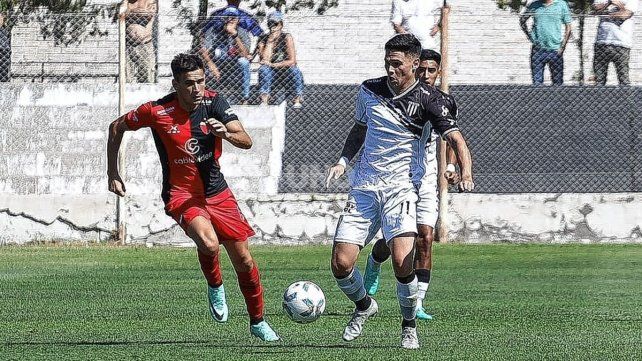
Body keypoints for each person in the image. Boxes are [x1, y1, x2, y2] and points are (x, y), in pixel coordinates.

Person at [106, 53, 279, 342]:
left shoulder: (215, 102)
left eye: (200, 81)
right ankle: (215, 285)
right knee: (210, 244)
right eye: (189, 83)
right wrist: (113, 172)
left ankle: (258, 321)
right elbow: (116, 127)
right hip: (181, 193)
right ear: (176, 84)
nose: (197, 88)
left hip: (218, 192)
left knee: (245, 261)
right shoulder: (157, 111)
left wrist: (226, 134)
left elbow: (246, 141)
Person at [325, 34, 474, 350]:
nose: (390, 70)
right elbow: (360, 128)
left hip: (402, 190)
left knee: (403, 262)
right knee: (340, 263)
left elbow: (457, 140)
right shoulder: (369, 90)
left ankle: (409, 326)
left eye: (397, 64)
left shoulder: (430, 100)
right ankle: (365, 305)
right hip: (365, 187)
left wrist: (465, 173)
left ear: (415, 64)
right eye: (387, 63)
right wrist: (342, 161)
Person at [360, 49, 461, 322]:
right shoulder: (403, 99)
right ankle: (374, 261)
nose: (426, 75)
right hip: (400, 176)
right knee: (396, 241)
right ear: (415, 69)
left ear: (439, 72)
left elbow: (452, 138)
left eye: (432, 71)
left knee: (425, 237)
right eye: (422, 70)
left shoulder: (441, 102)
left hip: (427, 177)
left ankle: (417, 303)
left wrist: (451, 167)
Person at [201, 7, 252, 104]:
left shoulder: (242, 32)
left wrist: (234, 35)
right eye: (228, 17)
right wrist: (211, 65)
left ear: (238, 20)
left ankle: (245, 98)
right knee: (204, 67)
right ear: (223, 19)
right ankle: (206, 98)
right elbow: (204, 50)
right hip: (217, 62)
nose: (230, 20)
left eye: (233, 18)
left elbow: (245, 54)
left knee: (244, 62)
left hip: (234, 63)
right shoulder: (213, 30)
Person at [256, 11, 304, 108]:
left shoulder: (286, 37)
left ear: (281, 25)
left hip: (285, 71)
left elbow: (292, 61)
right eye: (270, 24)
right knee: (263, 69)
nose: (273, 27)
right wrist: (270, 42)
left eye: (276, 24)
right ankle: (264, 99)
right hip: (271, 72)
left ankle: (297, 99)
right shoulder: (263, 38)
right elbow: (264, 60)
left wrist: (273, 65)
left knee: (295, 70)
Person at [520, 0, 572, 85]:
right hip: (538, 50)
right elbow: (522, 20)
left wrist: (563, 46)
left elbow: (568, 27)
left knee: (558, 83)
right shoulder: (534, 5)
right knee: (537, 84)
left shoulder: (561, 4)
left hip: (555, 50)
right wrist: (530, 36)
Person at [592, 0, 639, 85]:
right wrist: (609, 3)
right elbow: (596, 10)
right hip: (601, 42)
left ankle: (626, 98)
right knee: (599, 80)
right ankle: (599, 97)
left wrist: (618, 6)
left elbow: (625, 15)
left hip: (621, 44)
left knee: (624, 80)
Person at [125, 0, 157, 83]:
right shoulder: (125, 2)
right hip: (128, 44)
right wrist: (137, 12)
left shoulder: (150, 1)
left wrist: (131, 13)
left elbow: (150, 14)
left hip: (145, 43)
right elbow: (121, 14)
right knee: (127, 76)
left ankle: (148, 94)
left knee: (147, 74)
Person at [0, 11, 11, 82]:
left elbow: (7, 43)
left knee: (3, 78)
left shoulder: (5, 30)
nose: (3, 20)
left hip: (4, 54)